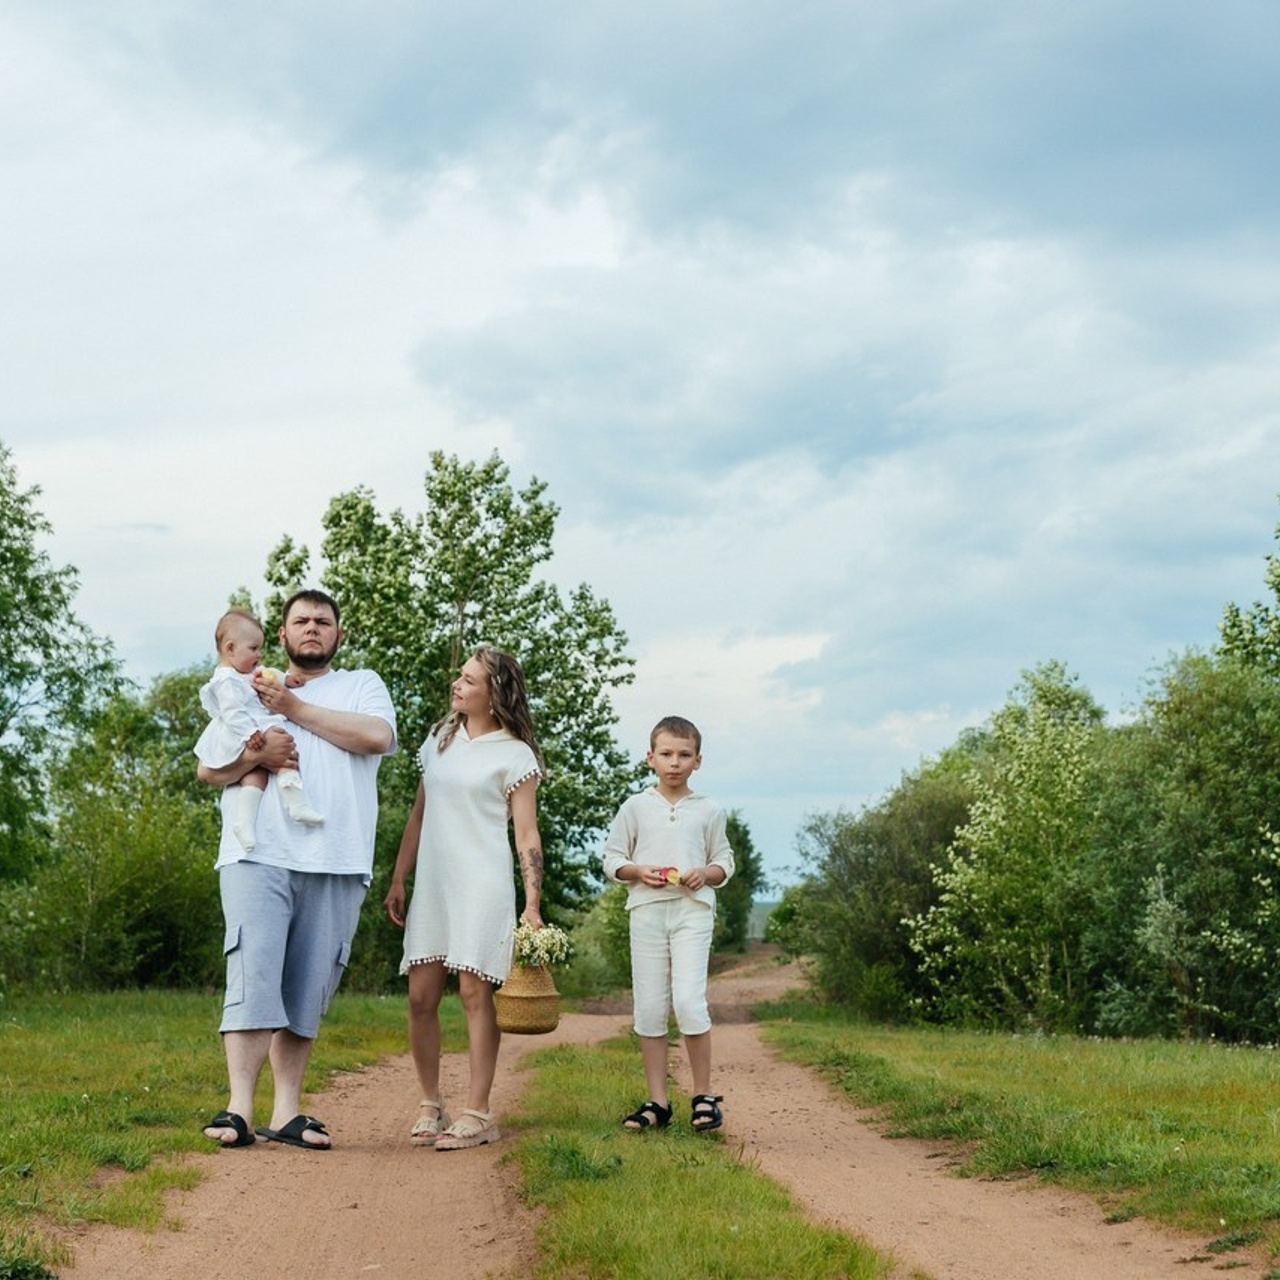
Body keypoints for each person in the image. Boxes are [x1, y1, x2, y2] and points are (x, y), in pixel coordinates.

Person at [198, 589, 396, 1151]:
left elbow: (376, 737)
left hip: (337, 858)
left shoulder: (362, 685)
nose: (312, 628)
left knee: (309, 985)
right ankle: (238, 1108)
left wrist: (293, 709)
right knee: (253, 974)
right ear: (280, 636)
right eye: (301, 621)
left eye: (323, 621)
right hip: (257, 852)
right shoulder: (247, 684)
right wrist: (256, 757)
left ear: (337, 633)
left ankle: (287, 1111)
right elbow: (208, 769)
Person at [383, 645, 545, 1152]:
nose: (457, 684)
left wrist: (532, 905)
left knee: (475, 995)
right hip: (434, 883)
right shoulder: (439, 739)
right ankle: (431, 1103)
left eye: (469, 681)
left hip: (483, 885)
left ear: (494, 696)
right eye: (460, 676)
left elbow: (527, 835)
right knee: (420, 996)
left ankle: (479, 1112)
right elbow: (418, 814)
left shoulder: (515, 755)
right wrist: (399, 876)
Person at [603, 715, 735, 1134]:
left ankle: (703, 1097)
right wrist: (638, 871)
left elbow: (724, 861)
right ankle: (658, 1102)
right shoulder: (635, 807)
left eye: (684, 755)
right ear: (650, 758)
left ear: (698, 760)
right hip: (646, 911)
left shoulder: (709, 810)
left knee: (689, 1001)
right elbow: (612, 858)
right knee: (650, 1005)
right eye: (666, 754)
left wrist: (706, 873)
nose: (674, 762)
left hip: (692, 911)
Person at [193, 608, 324, 853]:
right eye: (253, 649)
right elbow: (232, 712)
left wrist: (286, 680)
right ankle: (295, 803)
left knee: (258, 776)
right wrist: (248, 734)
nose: (259, 654)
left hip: (252, 730)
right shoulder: (226, 681)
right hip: (242, 734)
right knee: (283, 750)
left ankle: (246, 821)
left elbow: (267, 674)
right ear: (231, 648)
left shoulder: (246, 673)